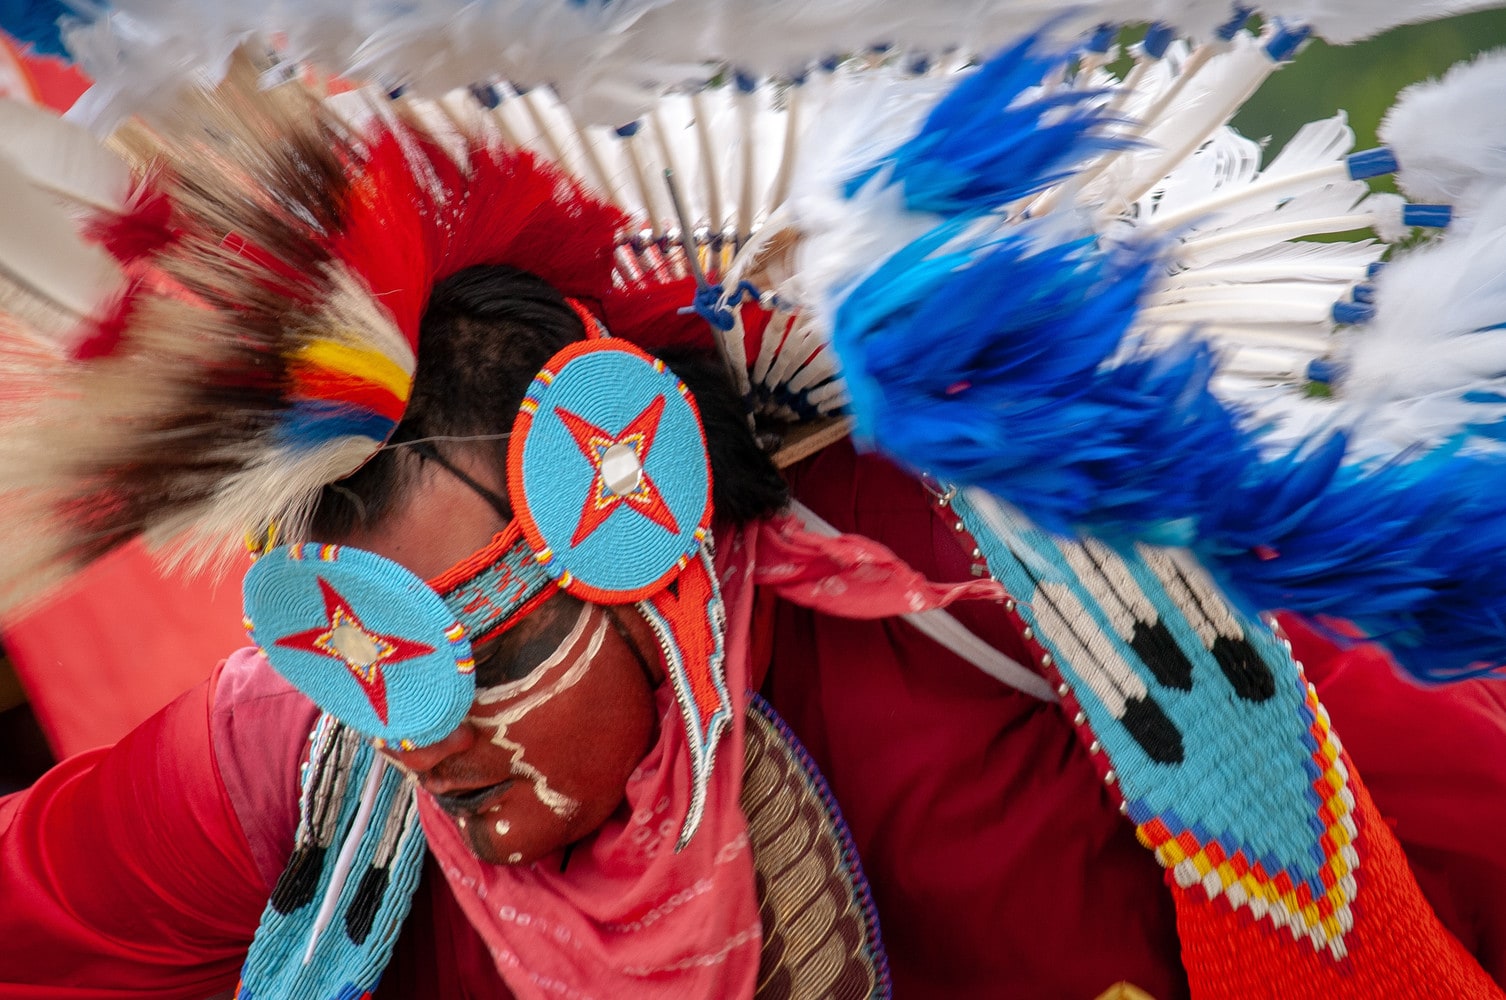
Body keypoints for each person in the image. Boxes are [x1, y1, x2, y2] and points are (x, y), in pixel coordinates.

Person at [2, 19, 1506, 1000]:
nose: (419, 731)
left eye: (491, 646)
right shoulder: (303, 755)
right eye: (354, 654)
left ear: (640, 537)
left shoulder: (1032, 615)